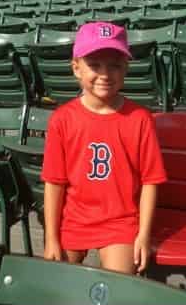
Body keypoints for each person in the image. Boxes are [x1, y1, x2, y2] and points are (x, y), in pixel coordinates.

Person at [41, 22, 167, 275]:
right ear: (76, 68)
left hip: (119, 222)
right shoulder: (62, 119)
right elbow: (54, 183)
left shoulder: (140, 118)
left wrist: (143, 235)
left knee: (117, 291)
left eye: (114, 65)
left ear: (126, 69)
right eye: (94, 65)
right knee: (55, 286)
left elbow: (150, 182)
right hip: (75, 220)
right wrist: (51, 238)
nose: (105, 74)